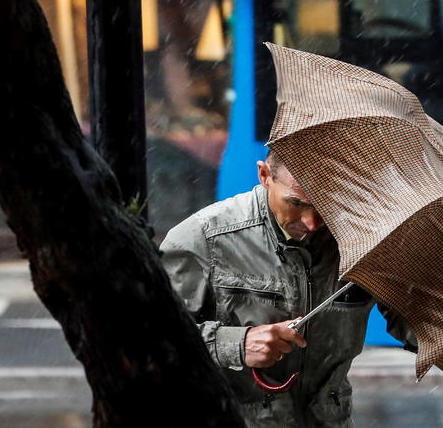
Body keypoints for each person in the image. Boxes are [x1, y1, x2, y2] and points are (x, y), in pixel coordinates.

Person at [160, 152, 414, 426]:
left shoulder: (363, 239)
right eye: (296, 203)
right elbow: (145, 337)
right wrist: (236, 344)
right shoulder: (203, 239)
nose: (312, 222)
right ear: (265, 175)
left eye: (324, 204)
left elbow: (412, 324)